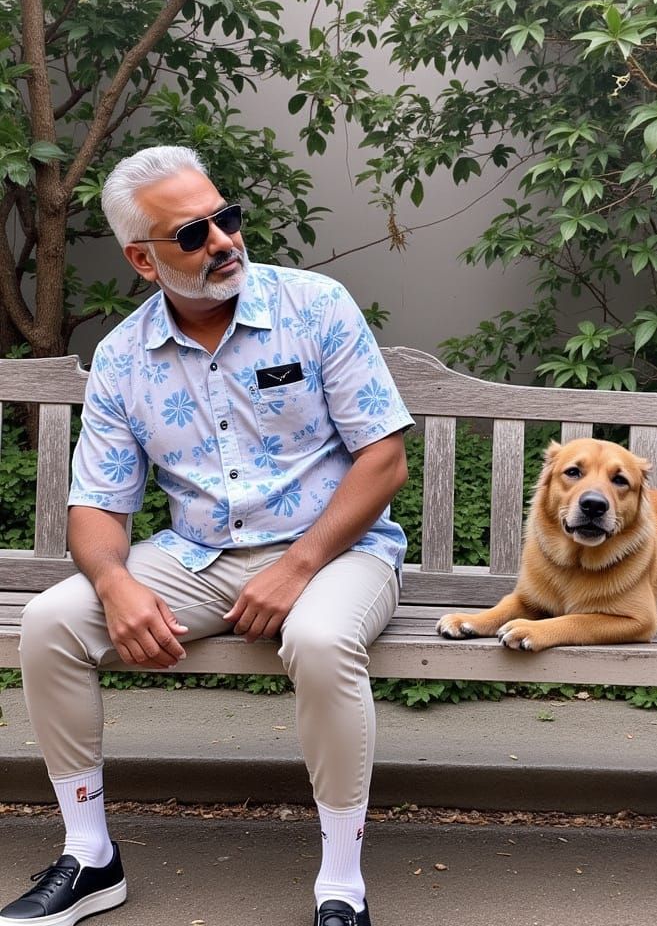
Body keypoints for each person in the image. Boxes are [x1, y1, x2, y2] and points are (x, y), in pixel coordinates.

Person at [0, 146, 413, 926]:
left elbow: (384, 460)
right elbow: (95, 507)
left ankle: (341, 884)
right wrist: (117, 586)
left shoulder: (315, 306)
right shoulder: (124, 357)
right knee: (53, 621)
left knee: (321, 640)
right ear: (144, 260)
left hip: (339, 551)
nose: (223, 241)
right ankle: (90, 856)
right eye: (192, 234)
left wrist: (298, 566)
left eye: (226, 218)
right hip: (196, 556)